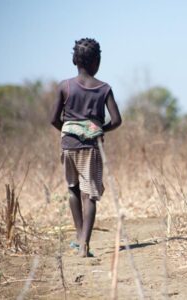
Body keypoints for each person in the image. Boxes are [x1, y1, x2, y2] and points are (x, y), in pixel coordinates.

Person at [50, 38, 122, 257]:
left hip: (69, 145)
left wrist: (71, 130)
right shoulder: (103, 89)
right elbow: (117, 120)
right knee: (89, 195)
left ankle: (80, 236)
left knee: (73, 189)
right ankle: (85, 245)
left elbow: (54, 119)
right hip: (91, 148)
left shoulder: (65, 86)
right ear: (97, 62)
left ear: (75, 60)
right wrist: (97, 131)